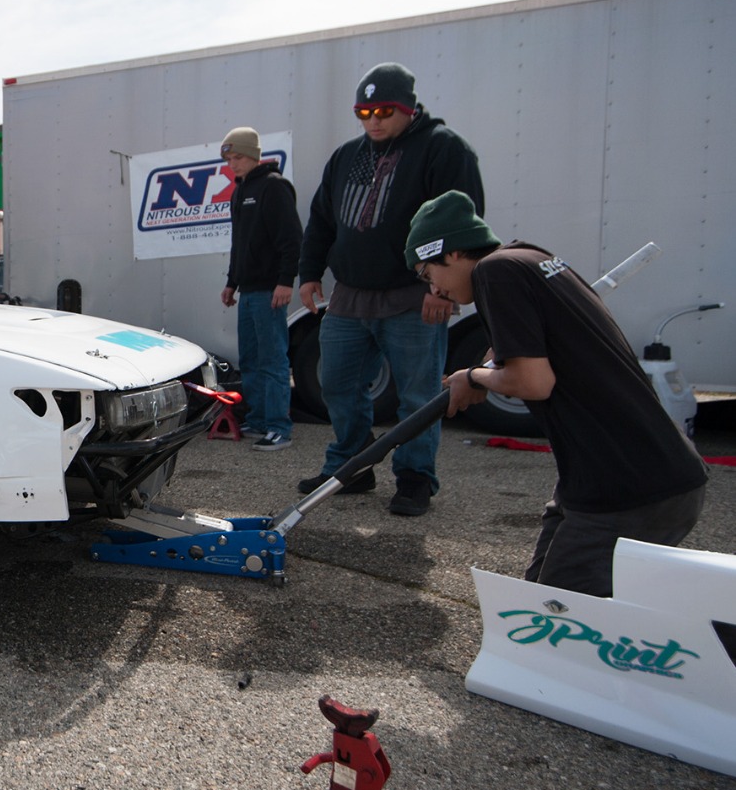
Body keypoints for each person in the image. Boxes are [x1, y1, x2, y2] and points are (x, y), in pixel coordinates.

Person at [407, 191, 707, 596]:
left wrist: (475, 377)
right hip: (621, 474)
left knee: (562, 623)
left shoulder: (495, 273)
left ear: (453, 252)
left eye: (428, 274)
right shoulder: (528, 258)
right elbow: (525, 345)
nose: (434, 289)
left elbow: (533, 381)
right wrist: (482, 369)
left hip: (628, 487)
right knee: (537, 602)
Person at [297, 62, 485, 516]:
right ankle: (352, 467)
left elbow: (461, 222)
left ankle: (415, 478)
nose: (373, 120)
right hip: (349, 294)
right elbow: (322, 218)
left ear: (408, 107)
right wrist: (309, 272)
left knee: (418, 395)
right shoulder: (345, 156)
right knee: (337, 384)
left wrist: (441, 291)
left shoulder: (444, 149)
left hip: (412, 294)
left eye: (384, 110)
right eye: (364, 112)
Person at [219, 128, 302, 452]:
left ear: (254, 154)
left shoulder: (274, 187)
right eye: (228, 159)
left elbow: (291, 239)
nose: (233, 164)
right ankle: (258, 418)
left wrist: (285, 281)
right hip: (248, 291)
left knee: (272, 360)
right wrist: (231, 282)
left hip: (270, 290)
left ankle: (280, 427)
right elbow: (239, 244)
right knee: (251, 359)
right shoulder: (240, 191)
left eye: (237, 157)